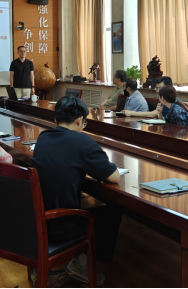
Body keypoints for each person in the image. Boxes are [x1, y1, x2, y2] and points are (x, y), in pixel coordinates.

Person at [31, 96, 121, 287]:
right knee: (112, 210)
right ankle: (81, 264)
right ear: (79, 121)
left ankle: (74, 261)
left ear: (55, 119)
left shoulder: (43, 137)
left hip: (35, 219)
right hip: (60, 225)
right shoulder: (82, 141)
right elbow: (113, 177)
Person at [123, 76, 188, 119]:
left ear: (168, 88)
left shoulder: (172, 103)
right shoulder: (164, 101)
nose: (157, 91)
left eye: (159, 88)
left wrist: (131, 113)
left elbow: (153, 114)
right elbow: (162, 118)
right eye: (156, 88)